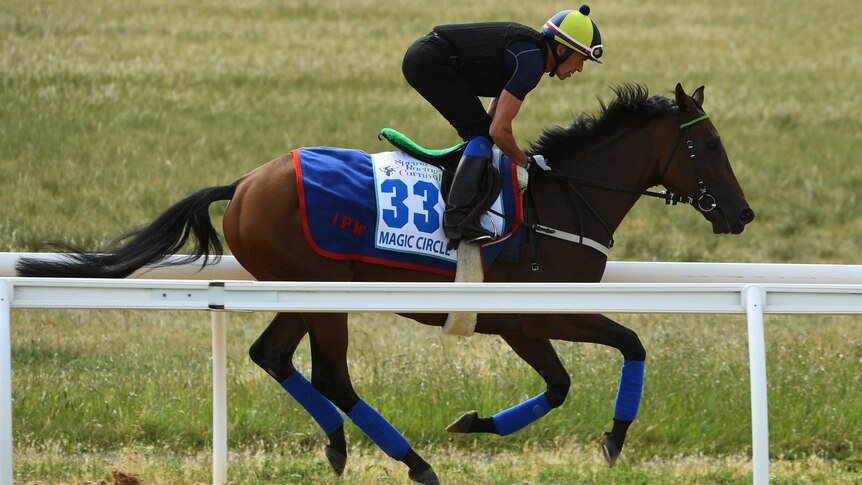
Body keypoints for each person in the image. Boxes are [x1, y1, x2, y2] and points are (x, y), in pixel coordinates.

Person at [402, 5, 603, 243]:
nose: (579, 68)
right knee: (480, 133)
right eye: (581, 58)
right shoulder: (532, 62)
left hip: (427, 55)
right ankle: (457, 218)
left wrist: (487, 143)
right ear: (561, 49)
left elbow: (494, 120)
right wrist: (525, 162)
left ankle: (461, 203)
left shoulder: (531, 54)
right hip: (428, 60)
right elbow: (499, 130)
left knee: (480, 134)